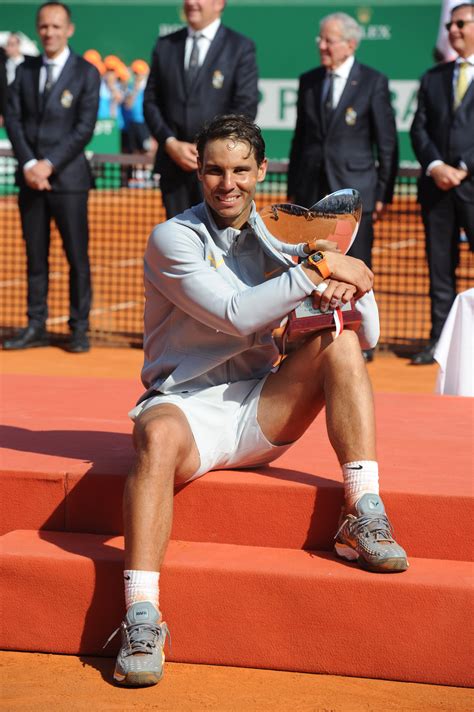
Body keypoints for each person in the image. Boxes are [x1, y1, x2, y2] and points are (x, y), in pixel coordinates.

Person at [109, 114, 408, 688]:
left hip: (258, 407)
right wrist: (323, 263)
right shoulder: (173, 238)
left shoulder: (283, 239)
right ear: (198, 171)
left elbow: (363, 333)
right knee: (154, 435)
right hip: (185, 408)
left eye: (241, 170)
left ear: (261, 171)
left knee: (340, 346)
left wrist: (354, 280)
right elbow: (235, 314)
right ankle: (142, 615)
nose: (228, 183)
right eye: (215, 170)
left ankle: (363, 511)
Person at [287, 13, 398, 360]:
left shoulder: (373, 81)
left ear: (350, 43)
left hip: (355, 192)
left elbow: (388, 142)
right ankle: (314, 330)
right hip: (311, 189)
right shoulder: (309, 81)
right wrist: (294, 188)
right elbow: (300, 137)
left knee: (355, 263)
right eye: (320, 39)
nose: (321, 45)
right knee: (314, 261)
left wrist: (383, 192)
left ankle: (359, 339)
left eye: (328, 40)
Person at [3, 2, 100, 353]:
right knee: (35, 256)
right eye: (44, 26)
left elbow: (84, 128)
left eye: (57, 26)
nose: (50, 33)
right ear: (38, 29)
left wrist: (49, 164)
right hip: (30, 180)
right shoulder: (24, 71)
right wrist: (30, 164)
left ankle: (79, 327)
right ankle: (36, 325)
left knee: (76, 256)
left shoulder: (87, 72)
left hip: (69, 181)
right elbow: (12, 119)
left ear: (69, 29)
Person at [143, 0, 259, 219]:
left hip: (219, 171)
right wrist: (170, 142)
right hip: (174, 166)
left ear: (219, 4)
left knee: (220, 244)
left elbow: (245, 105)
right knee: (179, 243)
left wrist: (210, 148)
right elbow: (150, 101)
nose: (191, 3)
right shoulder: (165, 45)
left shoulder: (240, 47)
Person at [409, 2, 474, 365]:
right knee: (439, 270)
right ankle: (441, 343)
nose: (453, 29)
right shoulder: (433, 77)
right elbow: (419, 128)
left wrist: (464, 167)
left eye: (461, 23)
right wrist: (436, 166)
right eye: (451, 23)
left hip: (471, 184)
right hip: (438, 190)